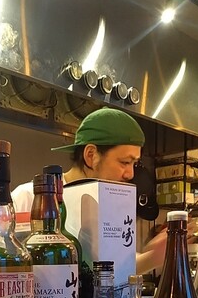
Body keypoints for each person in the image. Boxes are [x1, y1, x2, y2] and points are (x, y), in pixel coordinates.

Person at [11, 107, 167, 274]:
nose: (130, 174)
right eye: (124, 162)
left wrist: (154, 257)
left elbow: (116, 269)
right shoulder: (28, 197)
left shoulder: (110, 205)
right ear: (91, 155)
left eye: (134, 164)